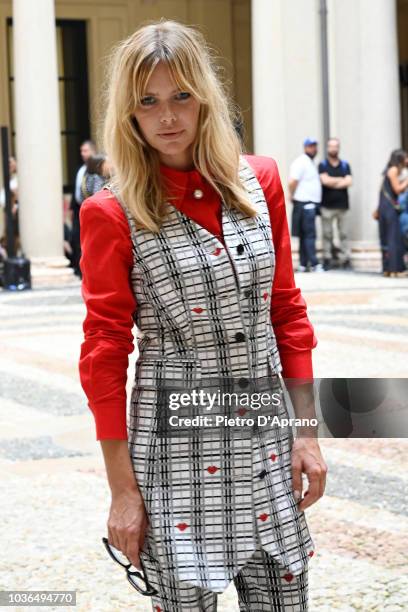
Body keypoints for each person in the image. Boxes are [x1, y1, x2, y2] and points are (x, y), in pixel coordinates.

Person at [79, 19, 327, 611]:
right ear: (129, 113)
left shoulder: (260, 179)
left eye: (181, 96)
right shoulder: (111, 212)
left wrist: (307, 433)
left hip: (265, 435)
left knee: (284, 597)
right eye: (149, 101)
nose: (168, 117)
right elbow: (104, 352)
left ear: (205, 97)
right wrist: (122, 491)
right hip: (174, 455)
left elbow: (287, 312)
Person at [288, 138, 324, 272]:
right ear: (305, 147)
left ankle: (303, 264)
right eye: (310, 146)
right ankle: (314, 264)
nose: (313, 149)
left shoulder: (310, 162)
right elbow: (293, 181)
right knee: (309, 235)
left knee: (304, 235)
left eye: (315, 146)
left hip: (307, 204)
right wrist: (291, 194)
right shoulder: (301, 162)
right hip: (305, 204)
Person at [318, 138, 353, 270]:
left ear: (339, 148)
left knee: (344, 233)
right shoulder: (323, 165)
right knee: (327, 234)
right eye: (331, 146)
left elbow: (349, 181)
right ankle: (327, 258)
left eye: (336, 146)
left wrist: (332, 181)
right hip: (327, 205)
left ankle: (345, 259)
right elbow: (324, 181)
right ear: (328, 148)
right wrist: (340, 180)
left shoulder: (345, 165)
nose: (333, 149)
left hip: (342, 206)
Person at [377, 149, 408, 277]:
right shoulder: (394, 170)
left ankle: (388, 269)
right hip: (389, 207)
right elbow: (397, 189)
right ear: (400, 158)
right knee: (393, 237)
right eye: (406, 157)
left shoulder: (390, 170)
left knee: (387, 237)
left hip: (385, 206)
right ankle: (395, 269)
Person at [70, 140, 96, 277]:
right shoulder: (80, 169)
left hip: (92, 210)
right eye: (81, 151)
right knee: (77, 239)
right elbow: (77, 191)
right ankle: (81, 270)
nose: (83, 154)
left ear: (93, 151)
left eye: (85, 150)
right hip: (78, 210)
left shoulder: (96, 169)